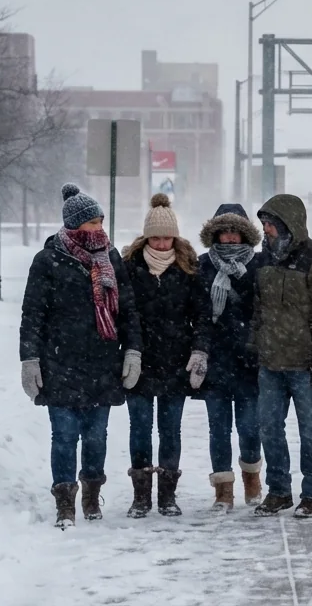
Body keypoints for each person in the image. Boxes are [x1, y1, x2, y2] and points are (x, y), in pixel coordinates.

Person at [19, 183, 143, 529]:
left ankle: (91, 494)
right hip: (59, 363)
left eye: (100, 221)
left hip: (102, 363)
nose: (98, 229)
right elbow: (33, 315)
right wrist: (29, 360)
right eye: (91, 223)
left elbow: (128, 311)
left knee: (95, 436)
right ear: (75, 226)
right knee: (64, 435)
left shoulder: (111, 258)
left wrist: (132, 351)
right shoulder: (48, 261)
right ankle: (64, 500)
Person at [250, 194, 312, 519]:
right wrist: (255, 345)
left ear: (289, 224)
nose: (267, 230)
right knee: (269, 428)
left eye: (271, 224)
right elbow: (257, 309)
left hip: (305, 364)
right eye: (264, 224)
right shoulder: (264, 259)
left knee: (311, 430)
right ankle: (278, 492)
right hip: (271, 363)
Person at [120, 193, 208, 518]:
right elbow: (123, 314)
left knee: (170, 430)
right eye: (154, 237)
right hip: (139, 363)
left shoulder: (188, 268)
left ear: (175, 236)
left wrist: (199, 351)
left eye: (166, 237)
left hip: (175, 363)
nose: (160, 244)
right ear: (145, 236)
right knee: (140, 428)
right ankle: (141, 496)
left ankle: (168, 496)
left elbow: (201, 315)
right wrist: (128, 351)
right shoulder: (129, 268)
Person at [193, 203, 266, 511]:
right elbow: (197, 312)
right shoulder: (202, 266)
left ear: (245, 234)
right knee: (219, 429)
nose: (230, 238)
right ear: (216, 234)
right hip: (216, 361)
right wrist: (199, 350)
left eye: (236, 232)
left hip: (251, 361)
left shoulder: (260, 266)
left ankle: (252, 477)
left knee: (250, 427)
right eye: (225, 232)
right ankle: (223, 489)